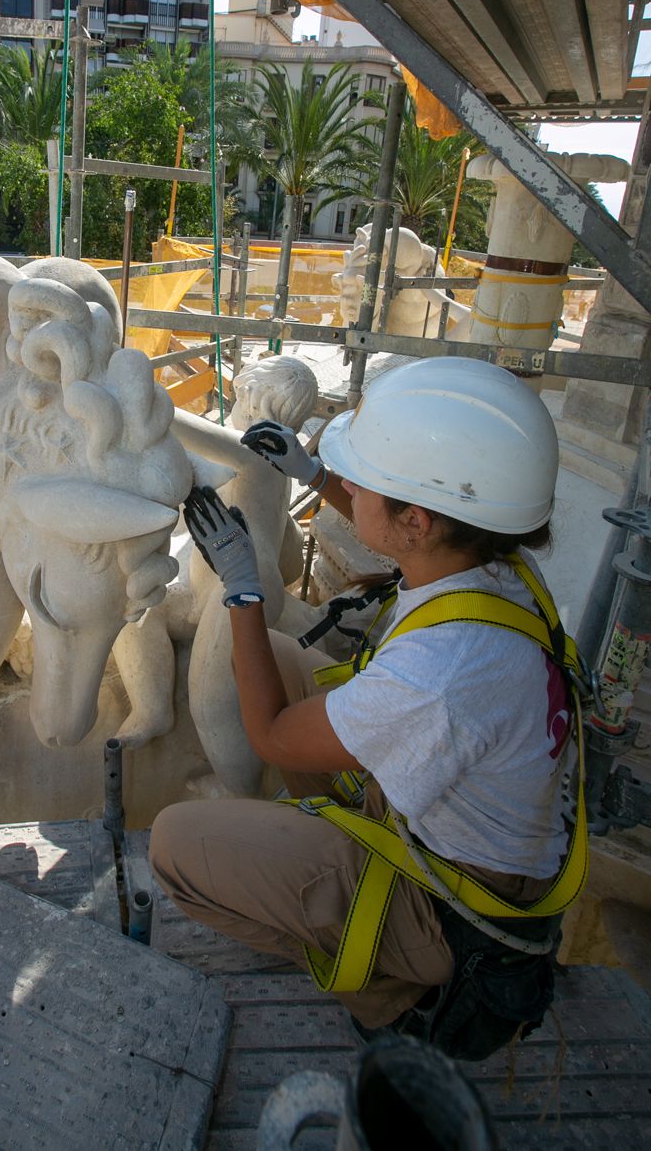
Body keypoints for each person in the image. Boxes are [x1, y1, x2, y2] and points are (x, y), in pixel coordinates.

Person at [149, 356, 588, 1060]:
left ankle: (392, 991)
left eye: (363, 480)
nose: (348, 481)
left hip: (455, 906)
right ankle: (336, 852)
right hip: (472, 825)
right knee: (286, 661)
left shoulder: (438, 675)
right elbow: (411, 527)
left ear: (417, 519)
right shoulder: (495, 567)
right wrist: (316, 478)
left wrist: (240, 593)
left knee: (174, 845)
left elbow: (268, 736)